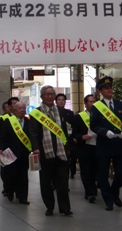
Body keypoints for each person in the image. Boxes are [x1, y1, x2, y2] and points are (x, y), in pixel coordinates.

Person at [29, 85, 72, 216]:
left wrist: (68, 147)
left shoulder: (63, 112)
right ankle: (49, 206)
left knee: (63, 183)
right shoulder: (36, 113)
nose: (49, 96)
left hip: (61, 152)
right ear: (41, 96)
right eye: (47, 94)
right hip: (45, 153)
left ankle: (65, 207)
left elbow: (69, 132)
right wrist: (36, 148)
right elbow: (33, 133)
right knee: (46, 183)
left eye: (52, 94)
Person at [90, 76, 122, 211]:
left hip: (118, 144)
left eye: (110, 87)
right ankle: (108, 199)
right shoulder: (97, 107)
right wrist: (104, 132)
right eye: (106, 88)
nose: (109, 90)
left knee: (120, 173)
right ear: (100, 91)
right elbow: (93, 125)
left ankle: (113, 193)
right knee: (102, 175)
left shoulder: (120, 105)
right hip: (104, 145)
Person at [0, 102, 31, 205]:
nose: (22, 110)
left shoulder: (29, 122)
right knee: (10, 175)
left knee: (23, 176)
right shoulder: (9, 122)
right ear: (15, 110)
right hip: (10, 153)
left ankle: (23, 197)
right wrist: (0, 149)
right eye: (20, 108)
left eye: (23, 108)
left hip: (24, 154)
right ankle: (10, 191)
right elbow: (3, 137)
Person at [72, 94, 97, 203]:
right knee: (86, 169)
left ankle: (93, 188)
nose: (92, 103)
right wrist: (81, 137)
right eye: (90, 101)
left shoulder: (100, 115)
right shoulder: (79, 116)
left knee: (96, 169)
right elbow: (74, 133)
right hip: (84, 147)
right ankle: (89, 191)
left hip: (98, 146)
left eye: (94, 101)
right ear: (86, 104)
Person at [55, 93, 76, 179]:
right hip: (56, 140)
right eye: (59, 100)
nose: (61, 101)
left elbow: (73, 126)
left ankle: (65, 182)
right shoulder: (53, 113)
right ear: (56, 101)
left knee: (66, 162)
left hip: (67, 141)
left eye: (63, 100)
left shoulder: (70, 113)